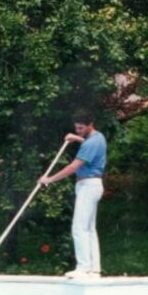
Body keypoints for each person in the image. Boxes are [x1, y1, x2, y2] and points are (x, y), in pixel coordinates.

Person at [38, 109, 107, 278]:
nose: (78, 130)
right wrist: (78, 139)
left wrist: (49, 179)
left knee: (79, 227)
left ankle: (83, 268)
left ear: (91, 125)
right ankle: (94, 269)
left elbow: (73, 167)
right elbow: (87, 143)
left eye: (81, 128)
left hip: (88, 186)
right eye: (77, 128)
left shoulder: (90, 143)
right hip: (92, 185)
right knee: (89, 229)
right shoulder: (98, 137)